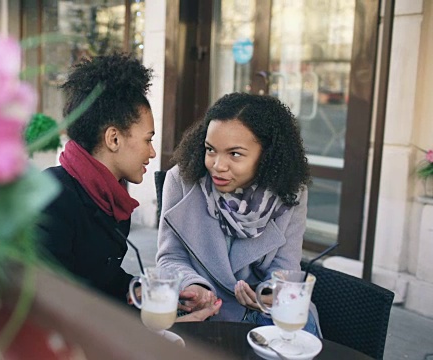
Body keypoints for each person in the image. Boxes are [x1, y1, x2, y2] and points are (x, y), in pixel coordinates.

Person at [37, 53, 221, 321]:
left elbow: (104, 281)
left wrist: (158, 295)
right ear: (113, 138)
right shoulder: (52, 197)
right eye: (147, 140)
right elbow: (55, 305)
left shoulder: (111, 198)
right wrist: (156, 326)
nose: (152, 152)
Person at [156, 92, 320, 335]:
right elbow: (170, 258)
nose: (218, 165)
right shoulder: (182, 180)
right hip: (200, 309)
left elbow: (285, 267)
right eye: (210, 150)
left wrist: (267, 294)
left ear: (267, 155)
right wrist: (193, 285)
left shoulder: (290, 194)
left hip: (262, 312)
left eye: (234, 154)